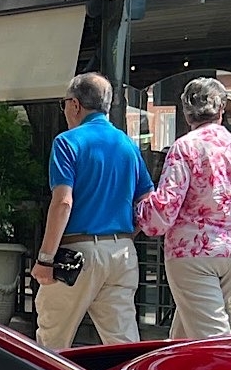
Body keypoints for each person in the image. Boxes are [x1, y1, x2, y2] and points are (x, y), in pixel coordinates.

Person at [140, 77, 231, 339]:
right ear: (222, 109)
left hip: (193, 255)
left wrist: (140, 209)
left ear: (187, 113)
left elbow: (164, 210)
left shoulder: (184, 147)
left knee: (213, 340)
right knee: (184, 336)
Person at [32, 72, 151, 352]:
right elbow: (147, 200)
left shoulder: (67, 142)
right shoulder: (127, 145)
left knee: (52, 342)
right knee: (123, 344)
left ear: (74, 104)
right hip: (121, 252)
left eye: (63, 104)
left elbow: (63, 202)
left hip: (77, 253)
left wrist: (45, 259)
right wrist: (126, 235)